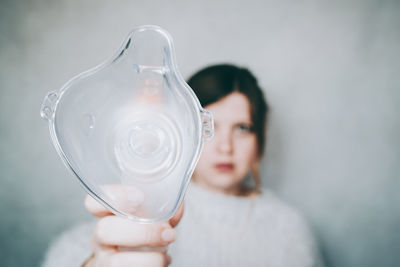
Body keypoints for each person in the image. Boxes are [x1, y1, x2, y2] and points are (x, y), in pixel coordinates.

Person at [42, 64, 323, 267]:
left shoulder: (289, 228)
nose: (225, 146)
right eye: (209, 128)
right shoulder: (152, 209)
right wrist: (98, 262)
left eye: (242, 128)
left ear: (259, 140)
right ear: (183, 131)